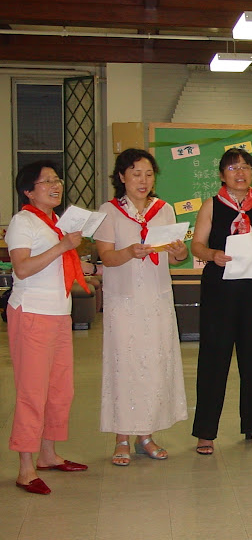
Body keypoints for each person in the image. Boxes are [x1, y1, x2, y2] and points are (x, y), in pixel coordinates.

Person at [94, 149, 189, 466]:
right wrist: (130, 252)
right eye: (136, 173)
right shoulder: (108, 212)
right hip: (124, 301)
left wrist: (178, 251)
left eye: (148, 174)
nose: (143, 180)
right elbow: (106, 257)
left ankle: (145, 435)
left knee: (154, 365)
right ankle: (121, 437)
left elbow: (176, 257)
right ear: (121, 177)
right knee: (126, 366)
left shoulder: (164, 211)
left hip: (157, 298)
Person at [191, 148, 252, 454]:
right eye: (233, 168)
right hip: (219, 288)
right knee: (213, 359)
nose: (240, 173)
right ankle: (206, 432)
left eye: (245, 167)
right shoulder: (211, 205)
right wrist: (211, 255)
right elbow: (197, 246)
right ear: (222, 174)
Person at [6, 161, 89, 495]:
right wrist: (64, 247)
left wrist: (89, 265)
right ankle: (25, 469)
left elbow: (58, 263)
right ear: (29, 190)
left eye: (57, 180)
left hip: (58, 314)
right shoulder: (22, 221)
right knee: (32, 392)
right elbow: (23, 268)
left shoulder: (55, 222)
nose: (56, 186)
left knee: (60, 390)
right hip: (32, 314)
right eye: (47, 182)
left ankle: (48, 455)